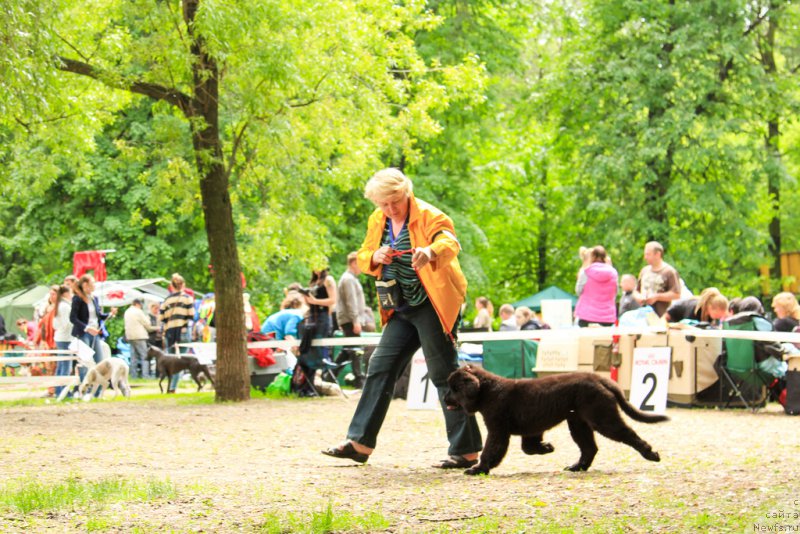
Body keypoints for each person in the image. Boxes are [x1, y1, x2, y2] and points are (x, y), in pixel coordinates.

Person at [322, 168, 482, 468]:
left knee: (443, 373)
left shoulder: (430, 215)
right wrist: (375, 257)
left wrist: (430, 251)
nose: (390, 208)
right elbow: (364, 255)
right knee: (380, 366)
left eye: (395, 201)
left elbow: (450, 242)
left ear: (406, 193)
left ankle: (467, 451)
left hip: (432, 303)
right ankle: (359, 443)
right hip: (399, 306)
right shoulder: (377, 220)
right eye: (384, 203)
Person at [70, 274, 117, 395]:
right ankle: (85, 390)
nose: (95, 285)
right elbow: (73, 318)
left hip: (95, 333)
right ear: (85, 285)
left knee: (100, 361)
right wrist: (87, 328)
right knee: (85, 362)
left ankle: (98, 391)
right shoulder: (77, 299)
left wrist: (110, 314)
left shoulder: (94, 298)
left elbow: (99, 316)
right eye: (93, 283)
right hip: (83, 333)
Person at [335, 252, 367, 386]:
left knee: (349, 350)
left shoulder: (351, 279)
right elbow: (351, 301)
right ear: (354, 263)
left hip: (350, 319)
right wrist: (356, 320)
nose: (362, 268)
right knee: (356, 350)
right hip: (350, 319)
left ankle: (329, 375)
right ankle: (359, 380)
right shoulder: (348, 279)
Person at [159, 273, 195, 393]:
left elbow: (161, 318)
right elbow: (191, 315)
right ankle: (172, 387)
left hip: (170, 332)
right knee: (180, 362)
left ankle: (170, 386)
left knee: (172, 360)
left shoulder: (166, 300)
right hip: (183, 331)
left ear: (172, 286)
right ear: (183, 285)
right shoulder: (187, 298)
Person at [574, 245, 618, 327]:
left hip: (586, 316)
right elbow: (615, 292)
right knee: (605, 339)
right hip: (607, 317)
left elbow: (578, 290)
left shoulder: (586, 272)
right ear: (605, 257)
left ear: (592, 257)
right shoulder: (613, 273)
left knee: (586, 339)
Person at [636, 241, 681, 317]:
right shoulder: (644, 271)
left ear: (658, 254)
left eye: (648, 254)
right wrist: (639, 297)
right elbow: (636, 291)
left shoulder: (669, 272)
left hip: (661, 316)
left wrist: (656, 297)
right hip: (643, 315)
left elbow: (676, 294)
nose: (645, 257)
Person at [124, 298, 156, 379]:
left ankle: (133, 375)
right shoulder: (138, 311)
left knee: (133, 357)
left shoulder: (127, 312)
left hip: (130, 336)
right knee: (144, 356)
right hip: (140, 336)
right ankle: (145, 375)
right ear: (138, 304)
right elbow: (147, 323)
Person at [664, 287, 729, 325]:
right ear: (710, 307)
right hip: (671, 320)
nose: (719, 317)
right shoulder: (695, 309)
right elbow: (686, 325)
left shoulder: (711, 317)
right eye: (718, 315)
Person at [52, 284, 74, 398]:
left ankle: (59, 390)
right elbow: (67, 323)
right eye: (70, 293)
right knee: (65, 366)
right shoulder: (65, 306)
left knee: (61, 365)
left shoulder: (59, 305)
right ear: (66, 293)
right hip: (66, 338)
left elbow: (55, 324)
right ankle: (63, 391)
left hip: (60, 337)